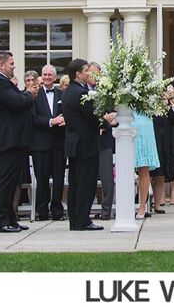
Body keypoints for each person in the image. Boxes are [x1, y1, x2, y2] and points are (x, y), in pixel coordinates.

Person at [0, 50, 34, 233]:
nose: (14, 67)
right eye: (11, 64)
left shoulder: (0, 81)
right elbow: (17, 102)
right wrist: (29, 94)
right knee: (3, 182)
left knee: (11, 183)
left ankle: (11, 219)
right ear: (1, 64)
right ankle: (0, 221)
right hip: (6, 140)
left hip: (13, 140)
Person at [62, 58, 116, 231]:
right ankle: (83, 220)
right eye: (86, 70)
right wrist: (106, 120)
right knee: (85, 183)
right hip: (85, 144)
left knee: (75, 184)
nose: (89, 73)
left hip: (74, 143)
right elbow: (92, 118)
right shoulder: (80, 93)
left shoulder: (68, 91)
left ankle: (76, 220)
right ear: (78, 73)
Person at [30, 64, 66, 221]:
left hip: (59, 143)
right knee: (42, 179)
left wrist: (64, 120)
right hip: (40, 144)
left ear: (55, 77)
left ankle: (57, 211)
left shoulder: (62, 94)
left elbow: (68, 112)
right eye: (44, 75)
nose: (47, 77)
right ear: (41, 77)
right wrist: (51, 121)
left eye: (50, 75)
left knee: (59, 179)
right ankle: (42, 211)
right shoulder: (34, 95)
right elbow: (33, 118)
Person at [88, 62, 114, 221]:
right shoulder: (82, 91)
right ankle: (87, 209)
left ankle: (106, 211)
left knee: (107, 179)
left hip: (105, 140)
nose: (93, 76)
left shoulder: (107, 93)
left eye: (96, 73)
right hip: (88, 140)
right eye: (90, 73)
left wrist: (104, 121)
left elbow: (113, 115)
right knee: (88, 177)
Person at [133, 111, 160, 220]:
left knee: (143, 167)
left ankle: (142, 206)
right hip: (125, 122)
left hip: (144, 124)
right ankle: (125, 204)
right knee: (124, 168)